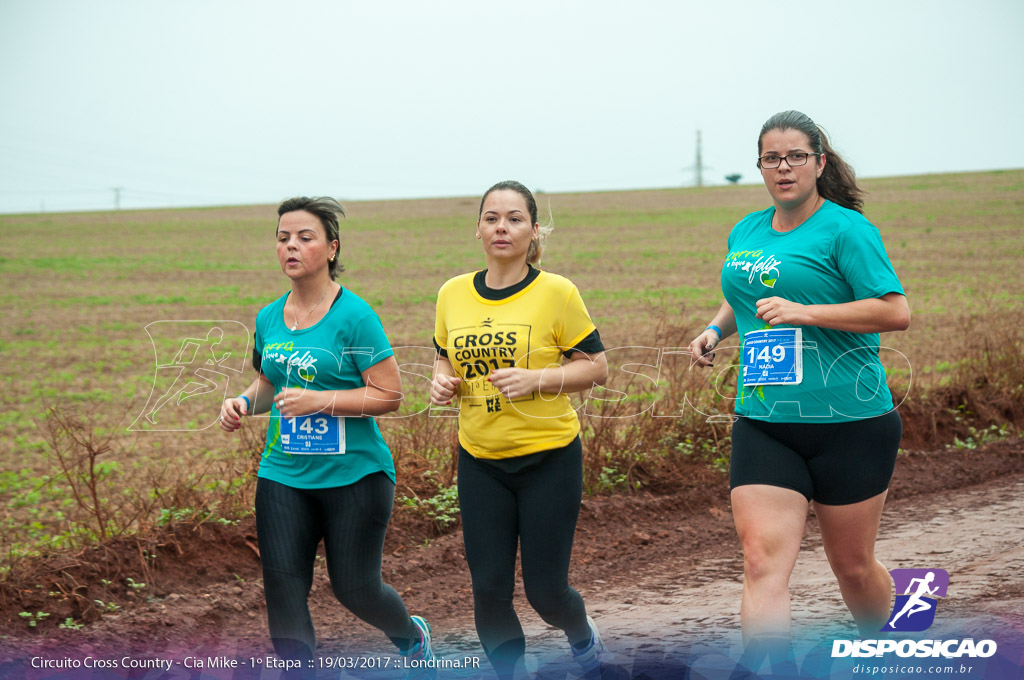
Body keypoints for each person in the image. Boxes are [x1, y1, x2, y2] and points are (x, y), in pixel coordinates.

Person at [688, 111, 910, 671]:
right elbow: (750, 290)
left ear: (819, 163)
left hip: (851, 423)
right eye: (771, 158)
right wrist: (717, 328)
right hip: (765, 419)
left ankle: (888, 640)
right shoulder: (747, 229)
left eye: (795, 157)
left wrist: (806, 314)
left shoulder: (847, 230)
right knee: (762, 563)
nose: (782, 167)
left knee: (853, 568)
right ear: (759, 165)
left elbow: (894, 311)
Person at [218, 196, 435, 673]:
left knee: (355, 589)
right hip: (284, 473)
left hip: (355, 474)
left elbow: (390, 395)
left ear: (332, 248)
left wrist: (321, 401)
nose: (291, 246)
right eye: (282, 238)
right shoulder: (269, 317)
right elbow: (268, 385)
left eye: (305, 237)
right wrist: (240, 403)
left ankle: (410, 636)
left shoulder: (355, 316)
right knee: (282, 585)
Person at [430, 180, 609, 679]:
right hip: (480, 460)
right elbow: (445, 358)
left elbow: (596, 368)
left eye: (513, 218)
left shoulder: (557, 292)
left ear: (533, 231)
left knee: (546, 592)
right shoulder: (452, 294)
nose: (501, 227)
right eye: (491, 218)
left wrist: (539, 379)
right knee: (488, 589)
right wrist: (443, 383)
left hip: (548, 458)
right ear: (479, 229)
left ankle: (583, 639)